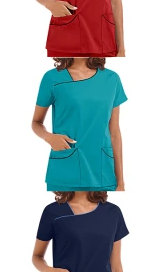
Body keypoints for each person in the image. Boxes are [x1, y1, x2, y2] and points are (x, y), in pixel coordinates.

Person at [32, 57, 126, 192]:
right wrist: (49, 137)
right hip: (65, 169)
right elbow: (36, 122)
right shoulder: (52, 78)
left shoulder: (112, 79)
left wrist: (120, 182)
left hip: (103, 171)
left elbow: (115, 133)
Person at [33, 191, 127, 272]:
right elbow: (36, 256)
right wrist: (49, 271)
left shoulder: (113, 212)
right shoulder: (53, 211)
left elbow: (116, 266)